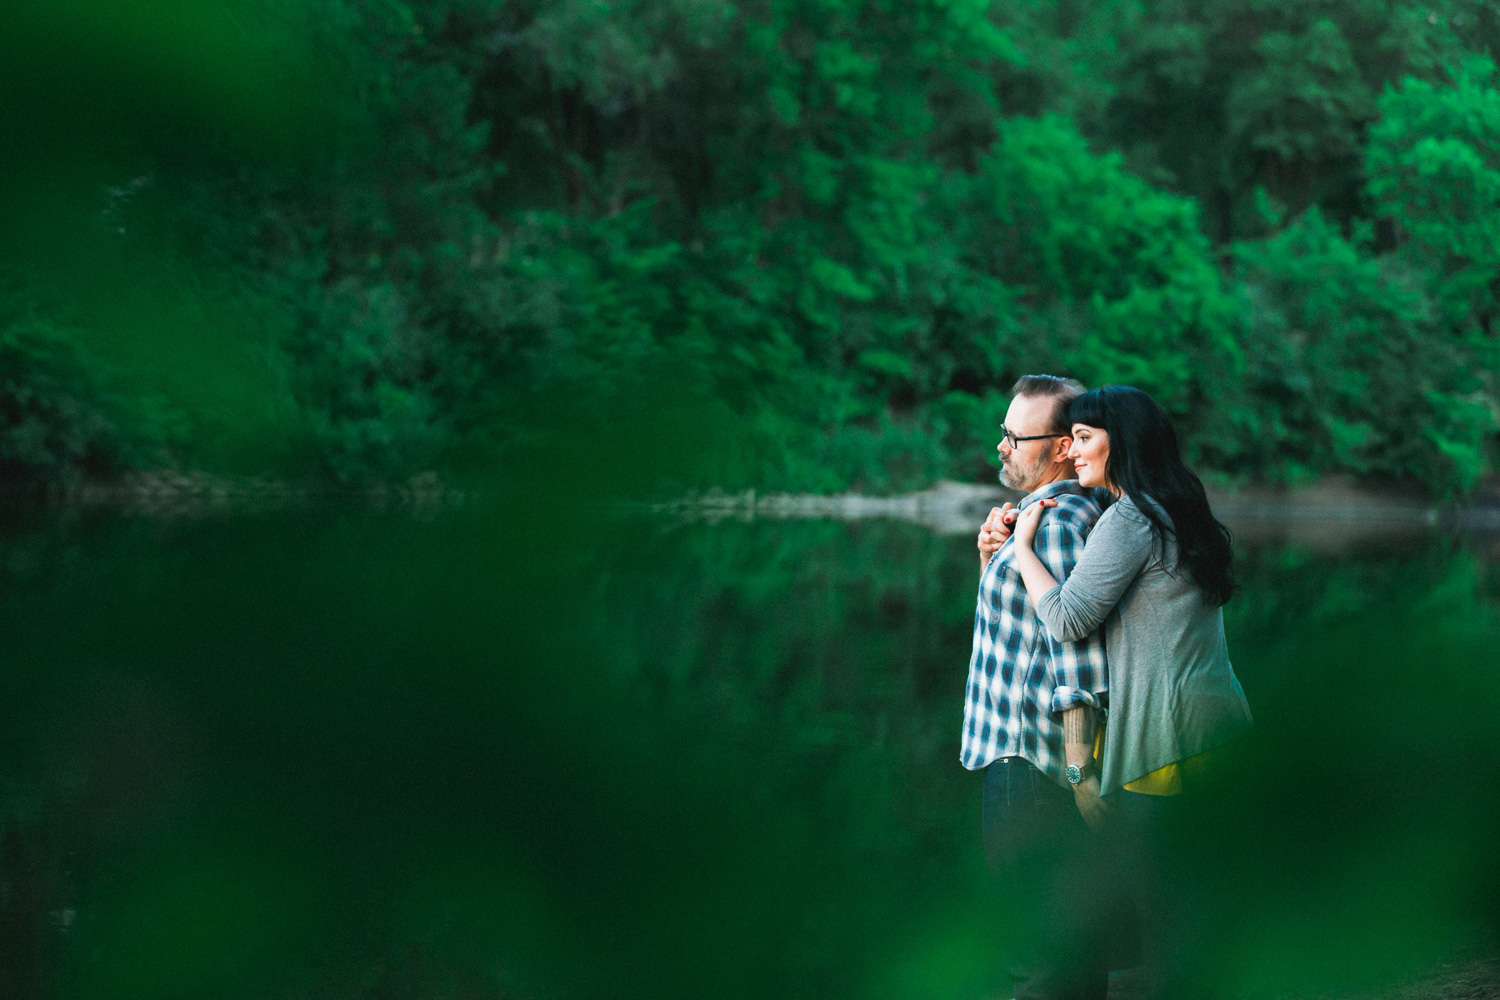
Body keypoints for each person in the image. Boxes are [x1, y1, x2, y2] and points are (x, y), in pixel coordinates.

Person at [1007, 384, 1253, 999]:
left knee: (1162, 914)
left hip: (1166, 740)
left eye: (1086, 437)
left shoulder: (1130, 518)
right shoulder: (1175, 508)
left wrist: (1022, 549)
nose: (1075, 449)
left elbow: (1066, 619)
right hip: (1216, 726)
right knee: (1196, 906)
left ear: (1125, 442)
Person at [962, 374, 1113, 1000]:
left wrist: (1080, 775)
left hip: (1035, 769)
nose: (1002, 446)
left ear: (1057, 448)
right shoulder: (1036, 518)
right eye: (1003, 432)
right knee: (1068, 952)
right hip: (1029, 764)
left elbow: (1076, 648)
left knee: (1039, 963)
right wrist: (987, 557)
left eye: (1015, 437)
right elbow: (1020, 628)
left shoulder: (1052, 524)